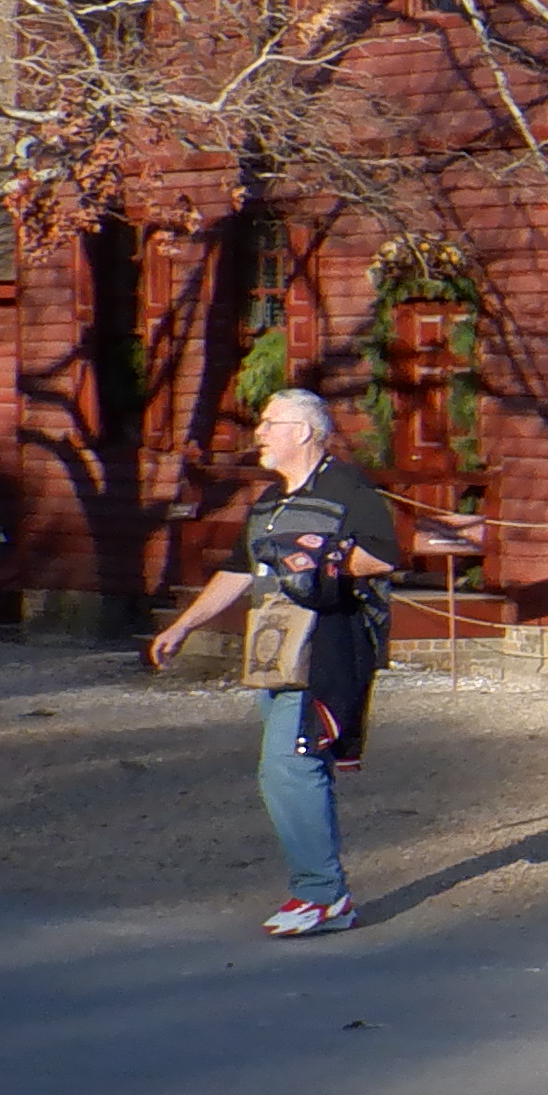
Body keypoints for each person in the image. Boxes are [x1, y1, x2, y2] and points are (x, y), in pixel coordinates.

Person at [147, 387, 399, 936]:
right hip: (275, 653)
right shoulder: (269, 504)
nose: (258, 433)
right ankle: (326, 892)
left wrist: (323, 562)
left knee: (287, 766)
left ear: (304, 432)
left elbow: (385, 552)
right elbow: (240, 570)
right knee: (300, 768)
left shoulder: (347, 489)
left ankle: (322, 895)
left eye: (269, 423)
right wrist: (184, 623)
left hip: (328, 649)